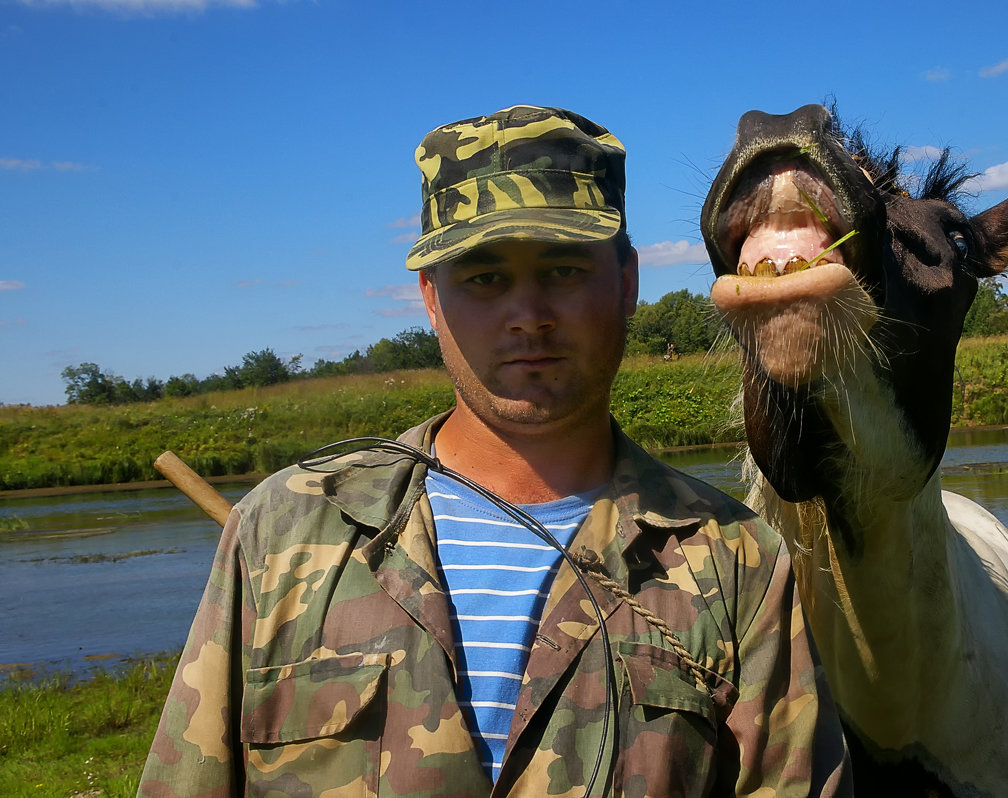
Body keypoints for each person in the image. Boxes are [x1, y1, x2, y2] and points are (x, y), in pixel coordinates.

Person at [137, 105, 850, 797]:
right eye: (484, 277)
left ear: (628, 282)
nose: (528, 315)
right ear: (430, 298)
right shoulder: (278, 534)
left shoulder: (741, 566)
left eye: (565, 269)